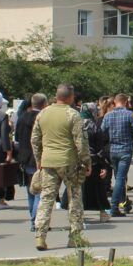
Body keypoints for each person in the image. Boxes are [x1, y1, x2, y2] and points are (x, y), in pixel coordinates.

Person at [32, 84, 90, 250]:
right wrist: (86, 162)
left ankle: (40, 237)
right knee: (75, 199)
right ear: (70, 97)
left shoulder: (43, 113)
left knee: (46, 199)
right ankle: (74, 237)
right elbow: (81, 142)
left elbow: (35, 140)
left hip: (48, 161)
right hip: (69, 162)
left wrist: (39, 159)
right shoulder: (73, 114)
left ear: (56, 96)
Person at [102, 94, 133, 217]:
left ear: (115, 102)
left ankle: (125, 203)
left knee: (119, 177)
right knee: (120, 179)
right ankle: (113, 207)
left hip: (113, 150)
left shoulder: (108, 115)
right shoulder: (129, 114)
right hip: (125, 150)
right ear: (125, 102)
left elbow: (102, 130)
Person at [16, 94, 45, 225]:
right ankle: (35, 219)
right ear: (44, 104)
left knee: (30, 189)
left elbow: (16, 137)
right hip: (39, 157)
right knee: (39, 190)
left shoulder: (22, 118)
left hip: (24, 157)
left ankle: (32, 216)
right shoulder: (42, 118)